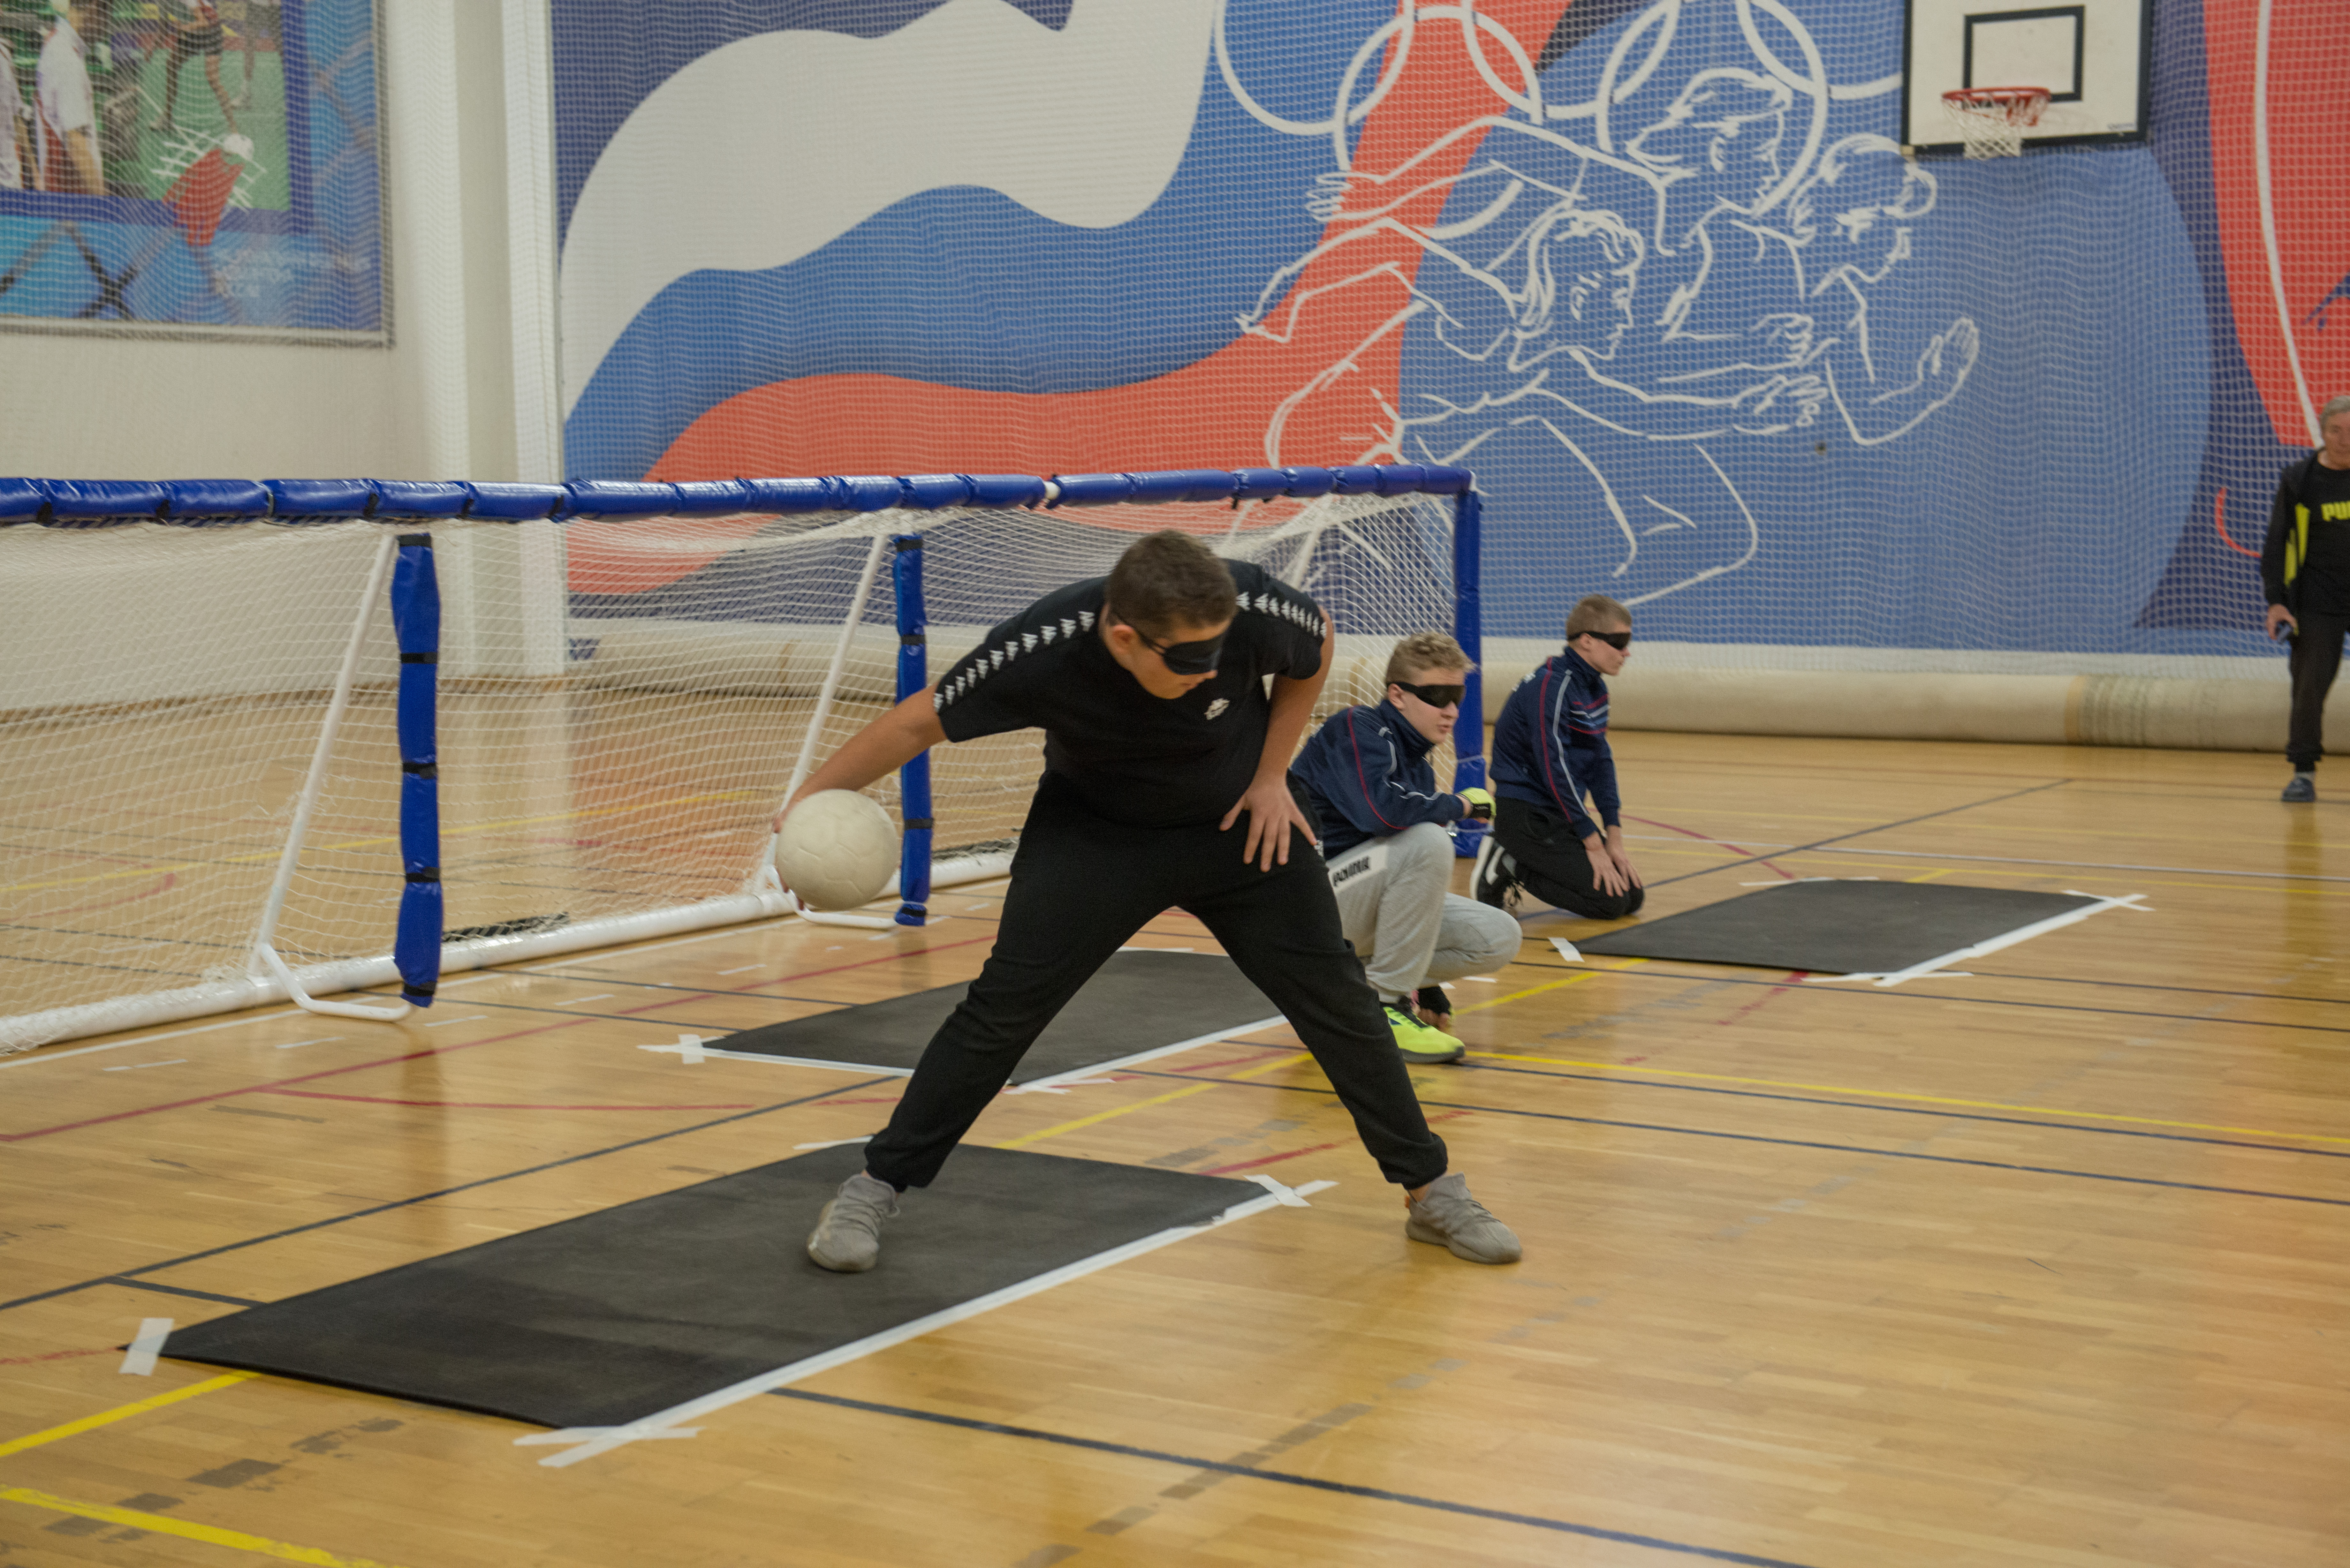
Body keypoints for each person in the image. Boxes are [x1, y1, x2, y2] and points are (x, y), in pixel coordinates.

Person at [780, 531, 1522, 1271]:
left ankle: (1431, 1191)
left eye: (1218, 652)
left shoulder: (1251, 604)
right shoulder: (1042, 647)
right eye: (1189, 659)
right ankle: (873, 1185)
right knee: (1002, 1009)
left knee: (1338, 1000)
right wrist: (808, 802)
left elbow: (1316, 643)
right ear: (1125, 636)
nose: (1208, 673)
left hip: (1240, 828)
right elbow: (916, 721)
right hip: (1097, 839)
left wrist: (1271, 775)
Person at [1289, 630, 1520, 1065]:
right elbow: (1381, 814)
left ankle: (1361, 992)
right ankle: (1386, 1007)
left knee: (1499, 937)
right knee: (1428, 839)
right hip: (1310, 911)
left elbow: (1404, 883)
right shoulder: (1356, 729)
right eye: (1437, 695)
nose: (1450, 710)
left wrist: (1429, 987)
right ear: (1397, 695)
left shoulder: (1419, 767)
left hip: (1356, 909)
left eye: (1458, 696)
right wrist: (1462, 805)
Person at [1474, 593, 1644, 919]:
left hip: (1558, 814)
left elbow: (1601, 762)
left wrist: (1614, 836)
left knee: (1631, 896)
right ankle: (1509, 862)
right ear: (1587, 641)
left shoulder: (1594, 689)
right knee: (1608, 903)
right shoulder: (1551, 686)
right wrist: (1592, 842)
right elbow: (1555, 767)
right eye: (1619, 641)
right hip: (1526, 816)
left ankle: (1526, 859)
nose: (1627, 652)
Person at [2263, 392, 2350, 803]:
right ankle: (2302, 774)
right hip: (2316, 603)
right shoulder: (2299, 480)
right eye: (2337, 430)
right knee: (2308, 689)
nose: (2345, 439)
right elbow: (2277, 543)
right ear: (2322, 431)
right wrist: (2276, 601)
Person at [34, 0, 105, 196]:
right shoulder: (67, 61)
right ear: (93, 8)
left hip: (62, 188)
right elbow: (77, 145)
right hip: (72, 196)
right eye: (105, 13)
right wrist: (102, 202)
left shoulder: (56, 40)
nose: (107, 26)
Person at [152, 0, 238, 138]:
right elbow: (164, 29)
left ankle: (234, 129)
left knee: (213, 80)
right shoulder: (162, 3)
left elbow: (204, 22)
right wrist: (153, 48)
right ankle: (167, 118)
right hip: (192, 35)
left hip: (211, 33)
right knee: (172, 66)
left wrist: (185, 28)